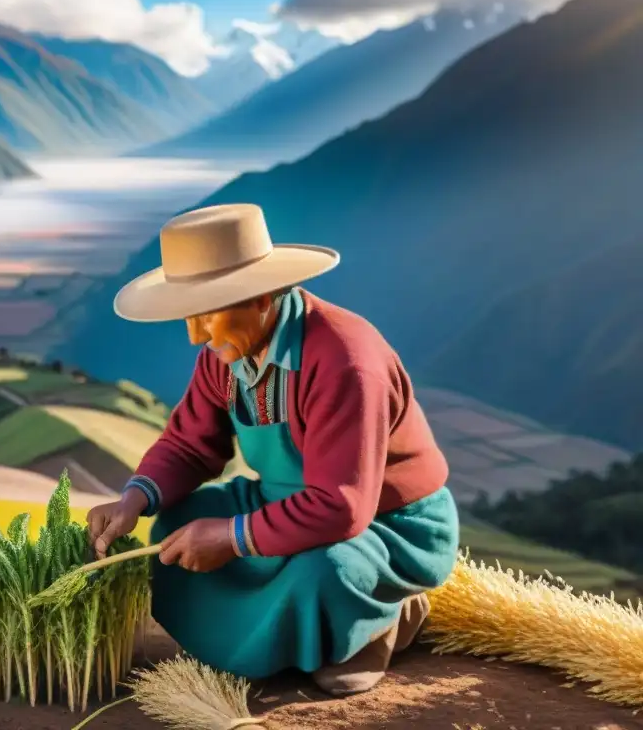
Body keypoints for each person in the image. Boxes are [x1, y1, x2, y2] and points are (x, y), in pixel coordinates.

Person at [87, 203, 459, 696]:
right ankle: (283, 646)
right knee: (176, 524)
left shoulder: (347, 362)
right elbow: (189, 444)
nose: (195, 334)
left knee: (327, 569)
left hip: (384, 523)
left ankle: (374, 624)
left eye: (208, 313)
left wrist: (233, 537)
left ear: (262, 296)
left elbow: (343, 505)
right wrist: (134, 499)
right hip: (288, 502)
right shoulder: (226, 353)